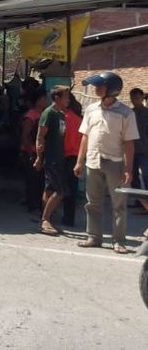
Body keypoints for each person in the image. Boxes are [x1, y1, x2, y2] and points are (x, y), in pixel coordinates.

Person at [75, 72, 140, 254]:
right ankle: (93, 237)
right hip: (93, 162)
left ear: (112, 89)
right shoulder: (91, 109)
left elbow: (129, 143)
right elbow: (85, 137)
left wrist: (128, 169)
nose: (96, 89)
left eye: (100, 86)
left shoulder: (125, 113)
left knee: (118, 204)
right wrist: (80, 161)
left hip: (115, 164)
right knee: (92, 202)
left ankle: (118, 240)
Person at [34, 86, 70, 235]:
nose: (68, 100)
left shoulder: (61, 115)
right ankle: (45, 219)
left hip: (60, 157)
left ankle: (46, 220)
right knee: (61, 191)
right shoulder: (48, 113)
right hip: (51, 158)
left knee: (49, 190)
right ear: (57, 98)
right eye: (66, 97)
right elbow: (40, 136)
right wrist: (38, 157)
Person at [20, 89, 48, 212]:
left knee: (41, 179)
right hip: (30, 151)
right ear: (37, 101)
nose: (46, 101)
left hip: (40, 151)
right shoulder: (31, 116)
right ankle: (32, 204)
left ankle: (39, 203)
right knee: (32, 179)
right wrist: (31, 153)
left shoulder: (45, 114)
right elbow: (25, 136)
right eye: (43, 99)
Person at [62, 96, 83, 226]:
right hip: (76, 158)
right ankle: (69, 218)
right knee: (72, 190)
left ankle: (47, 215)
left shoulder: (63, 119)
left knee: (58, 189)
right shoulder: (80, 120)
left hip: (63, 157)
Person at [129, 88, 148, 200]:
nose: (134, 100)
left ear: (142, 98)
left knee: (146, 175)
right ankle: (139, 201)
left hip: (145, 150)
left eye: (136, 98)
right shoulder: (129, 114)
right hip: (132, 150)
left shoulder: (146, 113)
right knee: (133, 176)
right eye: (132, 98)